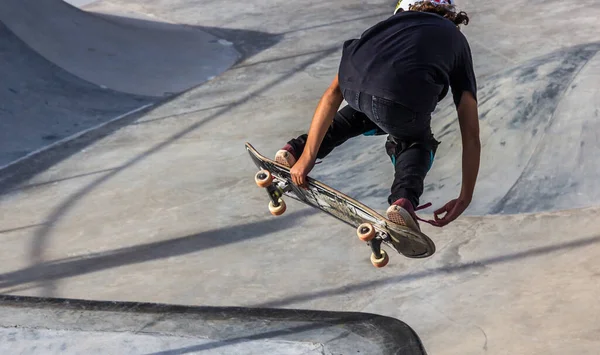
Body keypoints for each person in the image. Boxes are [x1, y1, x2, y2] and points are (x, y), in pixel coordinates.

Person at [274, 0, 481, 238]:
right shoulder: (455, 40)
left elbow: (332, 95)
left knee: (360, 113)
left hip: (354, 86)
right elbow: (471, 132)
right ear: (452, 19)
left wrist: (307, 157)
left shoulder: (384, 28)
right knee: (416, 141)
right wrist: (465, 197)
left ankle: (294, 150)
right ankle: (403, 202)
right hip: (403, 102)